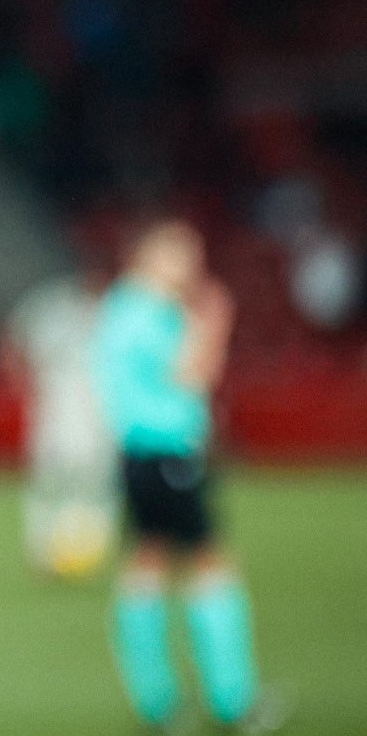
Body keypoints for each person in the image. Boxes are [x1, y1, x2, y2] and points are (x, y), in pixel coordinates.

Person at [94, 219, 272, 732]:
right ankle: (232, 698)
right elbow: (189, 373)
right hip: (167, 453)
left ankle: (156, 699)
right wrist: (214, 322)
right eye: (179, 253)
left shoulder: (120, 310)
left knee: (145, 563)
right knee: (210, 565)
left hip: (138, 455)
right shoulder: (146, 314)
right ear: (147, 257)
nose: (191, 265)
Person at [6, 270, 116, 580]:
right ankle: (43, 551)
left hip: (96, 414)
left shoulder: (113, 314)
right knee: (49, 483)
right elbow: (16, 348)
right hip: (55, 411)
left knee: (96, 485)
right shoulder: (50, 312)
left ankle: (92, 551)